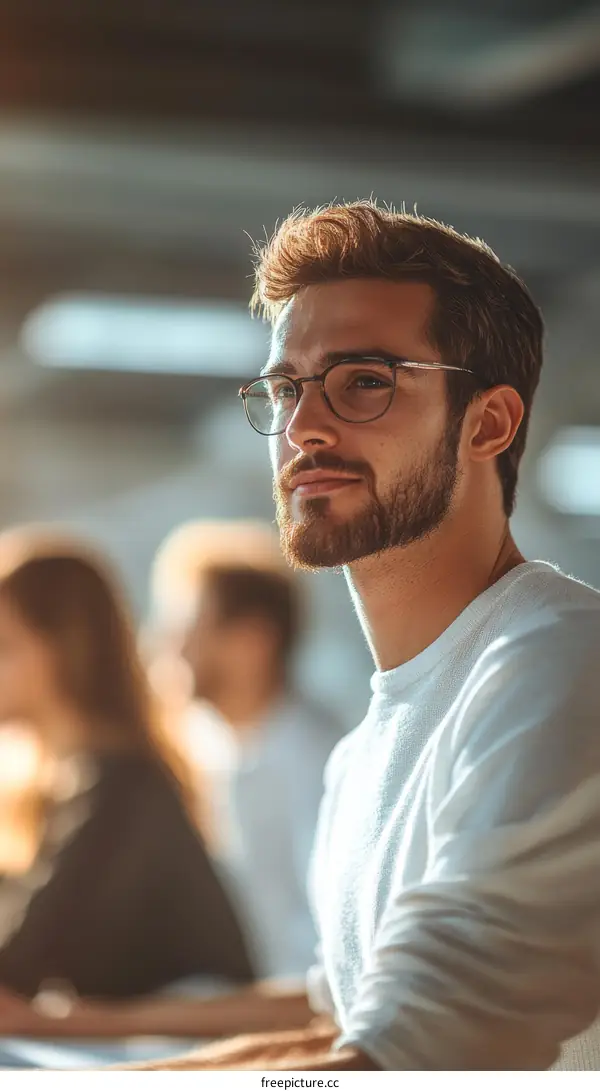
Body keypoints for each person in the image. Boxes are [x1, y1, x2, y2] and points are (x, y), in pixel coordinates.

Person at [3, 200, 600, 1071]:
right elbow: (340, 1014)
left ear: (489, 423)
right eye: (287, 388)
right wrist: (65, 1039)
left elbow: (397, 1065)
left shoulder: (553, 663)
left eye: (365, 381)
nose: (304, 428)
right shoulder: (363, 752)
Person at [0, 528, 254, 1001]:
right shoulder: (60, 784)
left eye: (4, 646)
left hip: (193, 1056)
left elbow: (16, 966)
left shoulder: (120, 787)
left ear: (63, 651)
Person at [148, 520, 343, 981]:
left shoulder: (317, 764)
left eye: (189, 625)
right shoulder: (201, 747)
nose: (167, 645)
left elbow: (325, 953)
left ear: (253, 642)